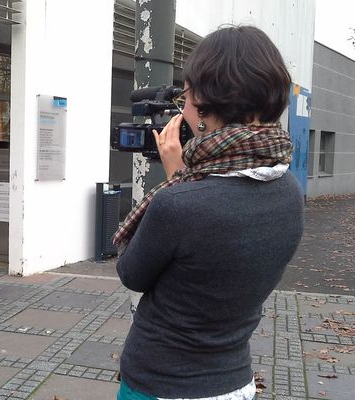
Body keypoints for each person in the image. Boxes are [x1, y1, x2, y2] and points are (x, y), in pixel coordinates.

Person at [114, 25, 304, 400]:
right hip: (233, 380)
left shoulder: (180, 204)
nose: (182, 108)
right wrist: (186, 180)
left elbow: (131, 272)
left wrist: (178, 182)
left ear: (205, 104)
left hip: (161, 382)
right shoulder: (289, 191)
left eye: (186, 95)